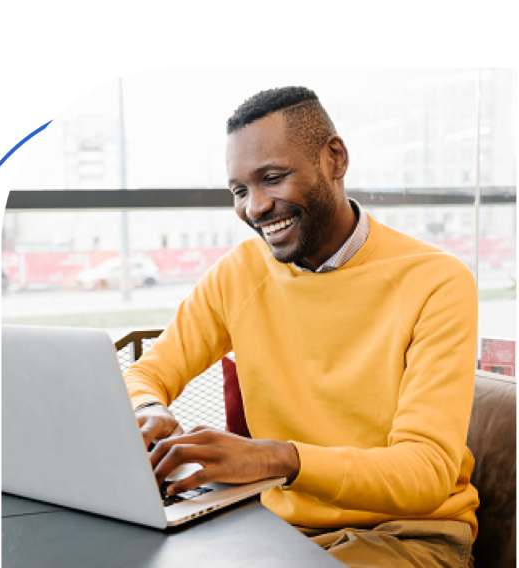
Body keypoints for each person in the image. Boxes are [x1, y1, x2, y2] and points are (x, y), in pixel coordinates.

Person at [124, 87, 479, 568]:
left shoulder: (437, 280)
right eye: (239, 190)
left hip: (409, 534)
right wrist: (149, 410)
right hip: (279, 531)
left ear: (334, 158)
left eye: (272, 178)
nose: (255, 207)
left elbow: (426, 471)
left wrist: (278, 458)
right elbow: (145, 375)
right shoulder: (241, 272)